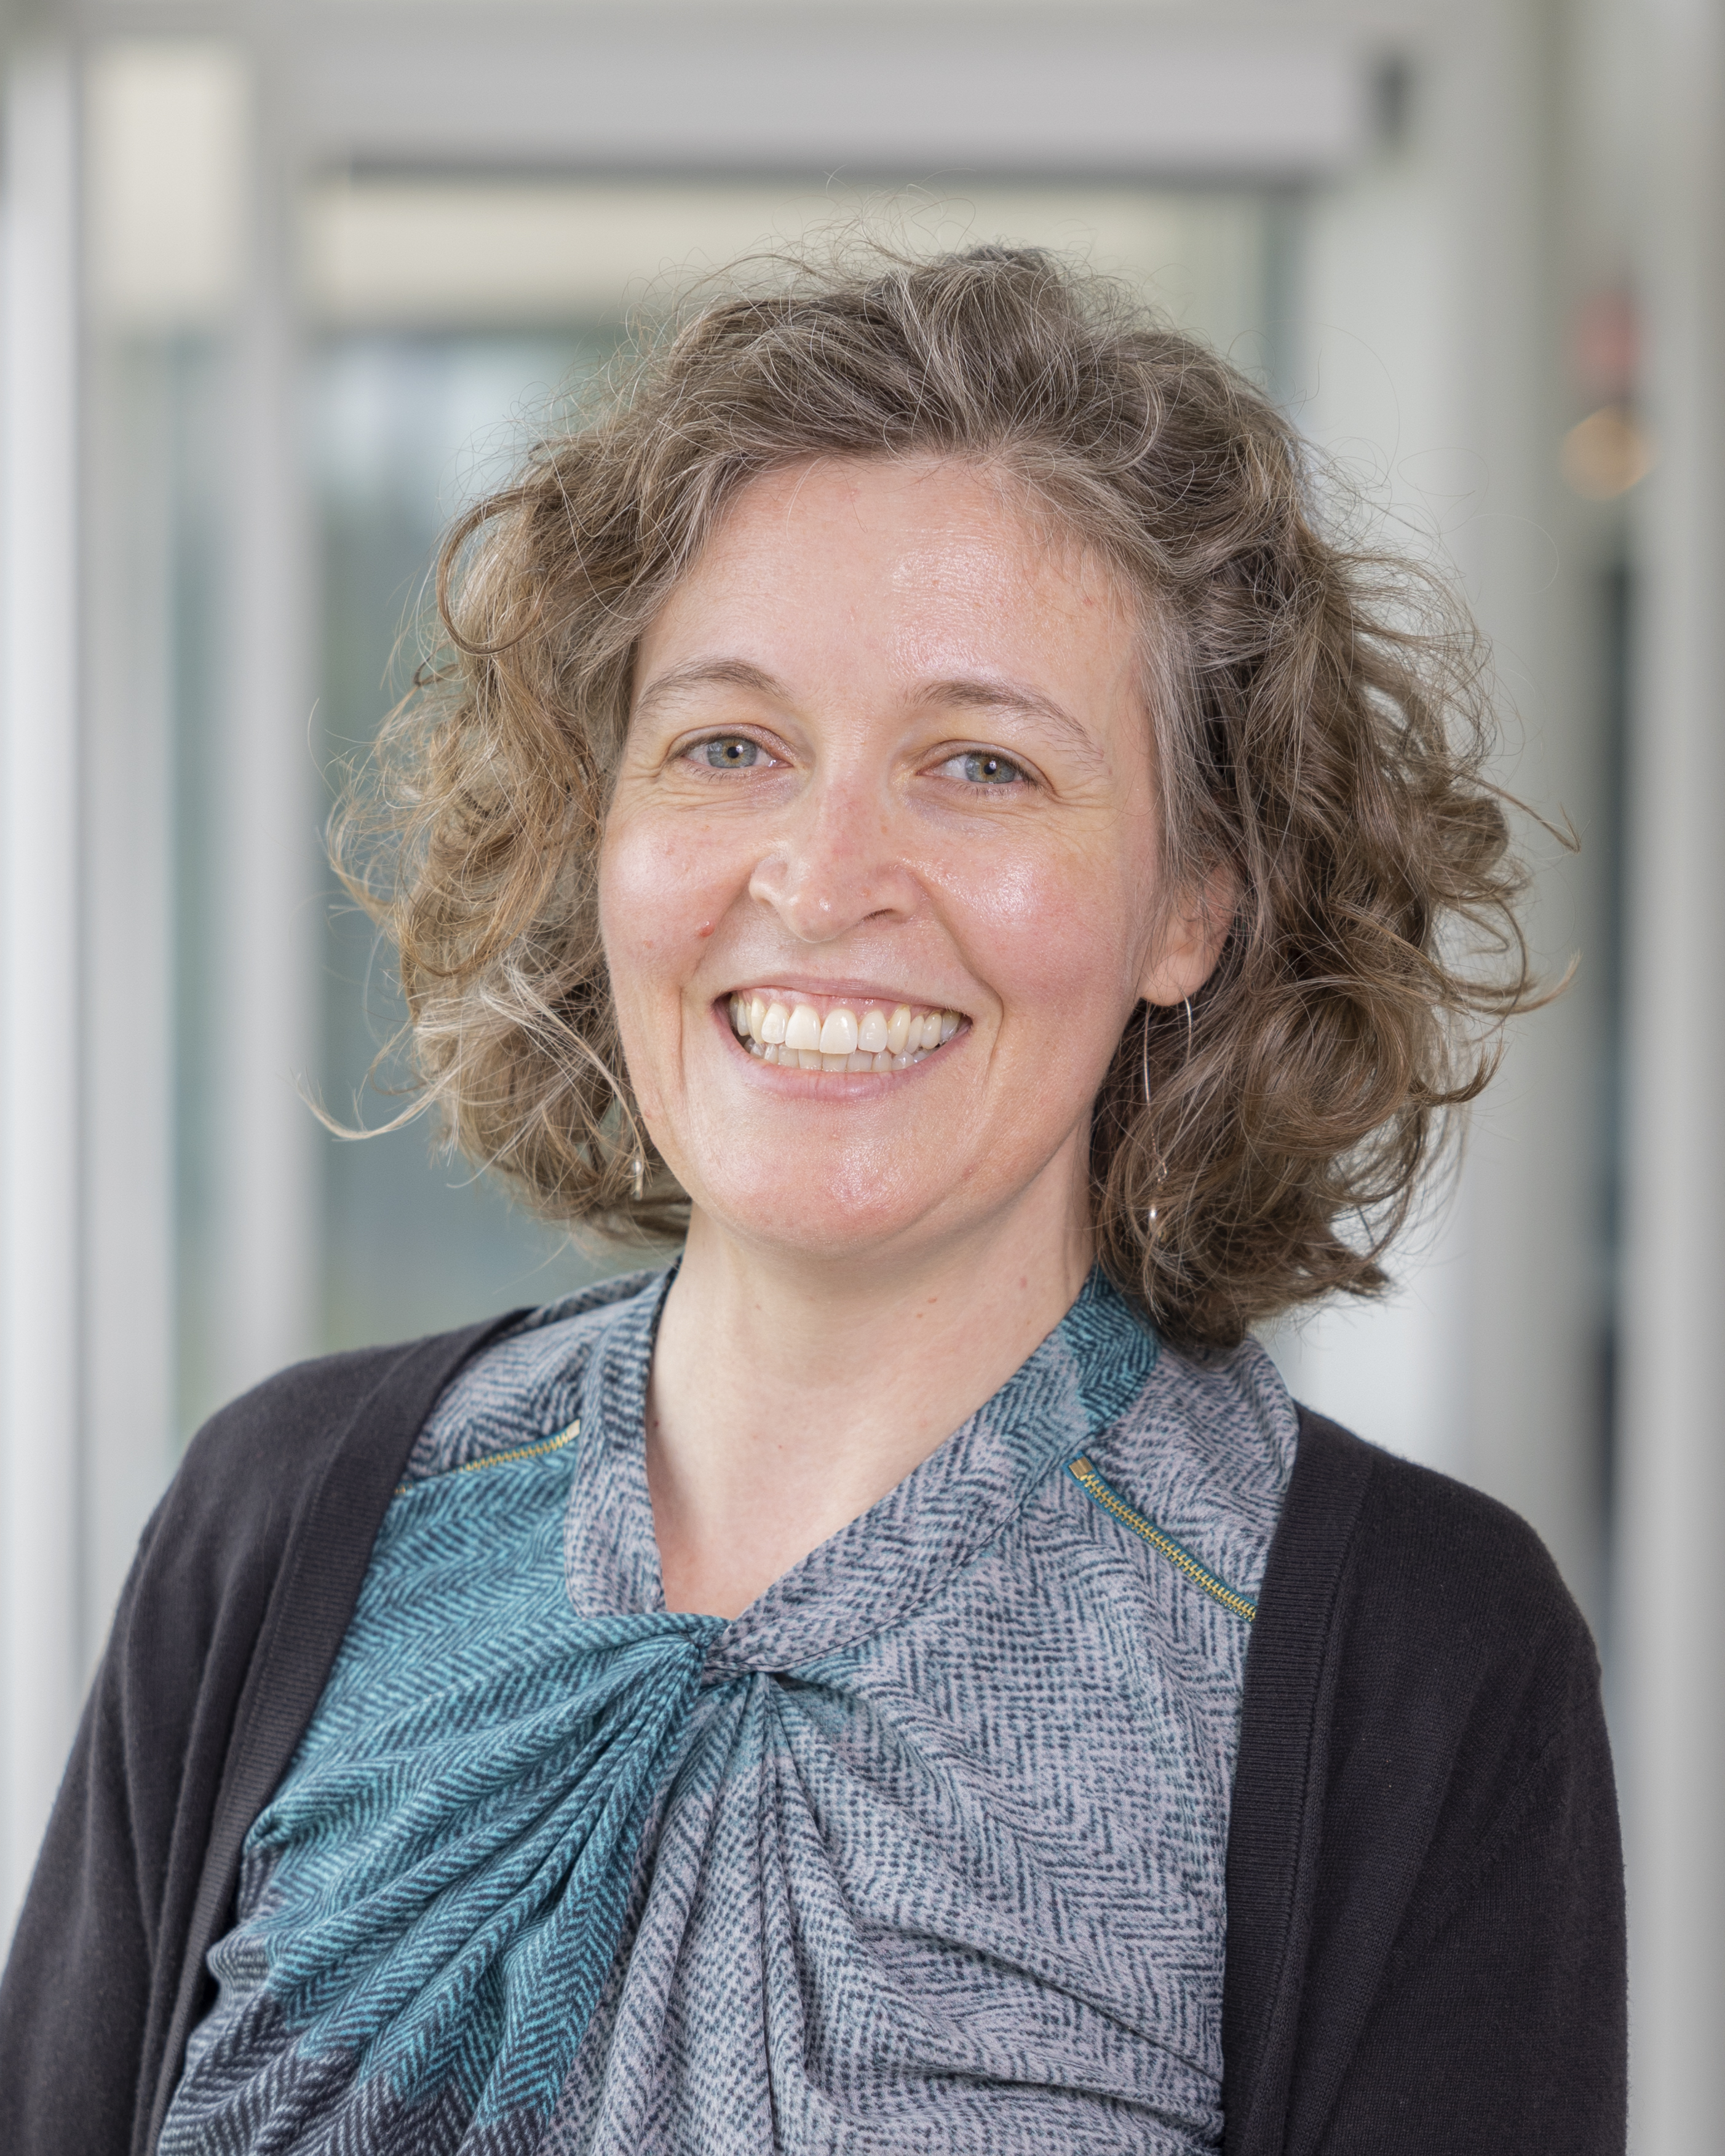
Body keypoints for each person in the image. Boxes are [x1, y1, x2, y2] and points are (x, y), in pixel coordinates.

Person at [0, 247, 1623, 2155]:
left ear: (1197, 900)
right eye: (730, 745)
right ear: (597, 831)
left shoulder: (1416, 1665)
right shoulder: (284, 1526)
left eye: (983, 764)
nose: (826, 870)